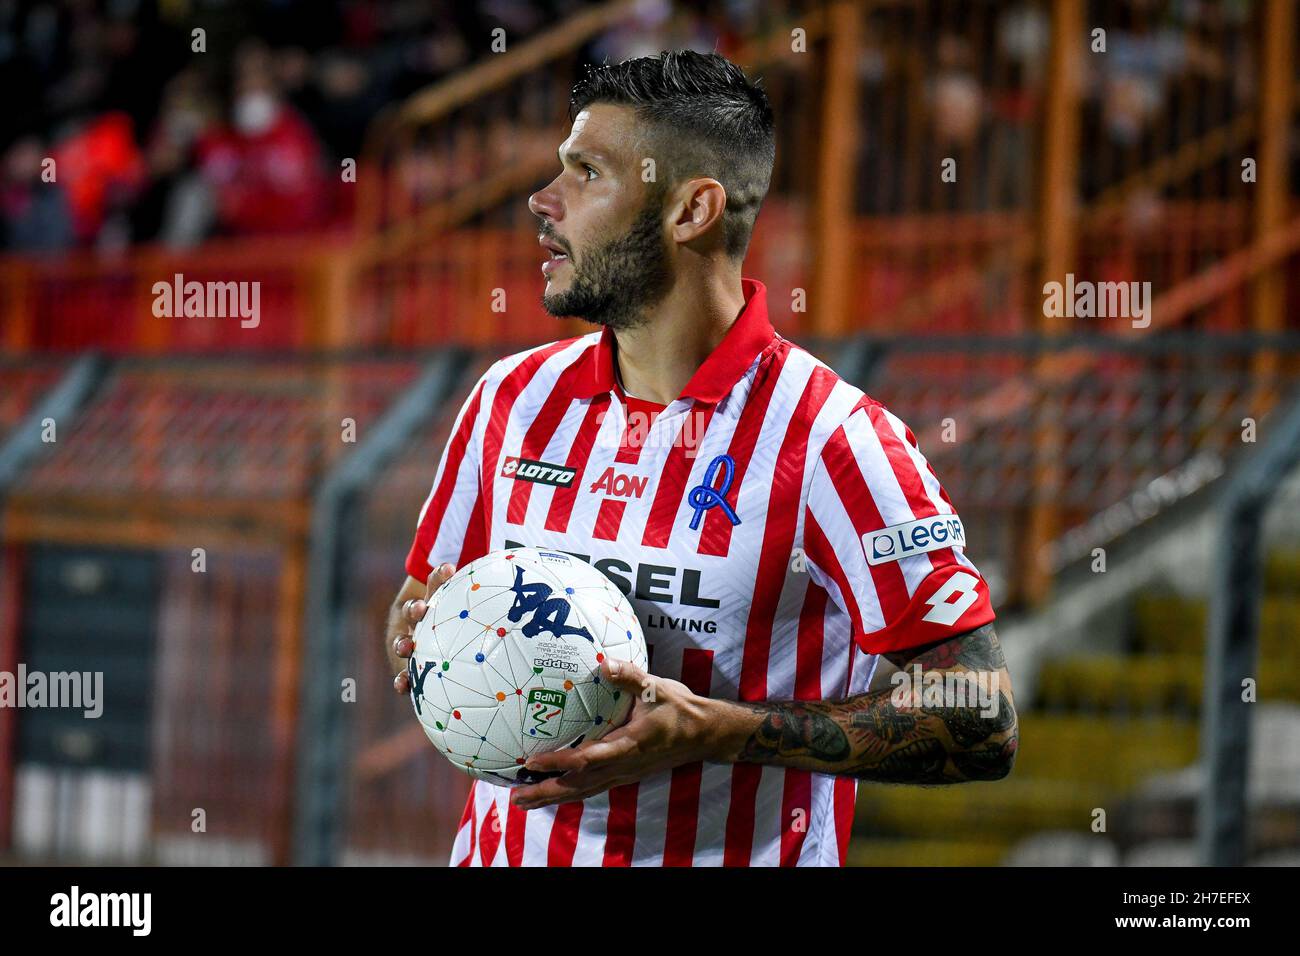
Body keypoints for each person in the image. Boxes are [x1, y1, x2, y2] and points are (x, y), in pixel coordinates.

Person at [388, 51, 1016, 867]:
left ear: (692, 211)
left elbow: (980, 718)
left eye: (586, 174)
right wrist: (420, 637)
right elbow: (419, 601)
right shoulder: (511, 401)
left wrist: (723, 733)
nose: (543, 203)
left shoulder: (832, 440)